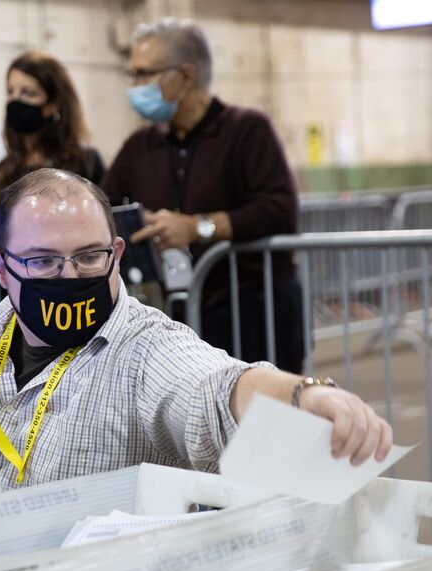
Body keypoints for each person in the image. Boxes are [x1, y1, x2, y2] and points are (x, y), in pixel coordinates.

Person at [0, 168, 392, 509]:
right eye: (42, 261)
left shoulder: (145, 347)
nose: (67, 277)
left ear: (117, 252)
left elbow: (216, 387)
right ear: (0, 268)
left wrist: (305, 394)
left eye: (88, 256)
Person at [101, 17, 305, 373]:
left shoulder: (247, 131)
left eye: (144, 74)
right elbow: (102, 205)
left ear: (186, 76)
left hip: (253, 314)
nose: (134, 86)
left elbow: (279, 209)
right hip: (180, 318)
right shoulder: (141, 146)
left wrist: (198, 227)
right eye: (131, 74)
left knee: (262, 424)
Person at [0, 51, 105, 254]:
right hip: (15, 284)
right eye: (10, 91)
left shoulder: (83, 161)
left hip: (68, 279)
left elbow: (103, 232)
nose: (15, 101)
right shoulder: (6, 169)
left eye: (28, 93)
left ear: (53, 104)